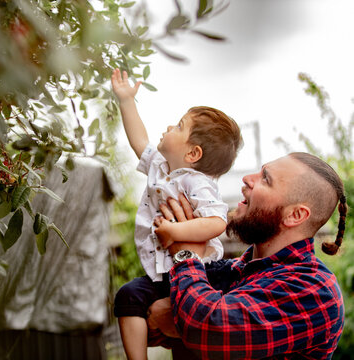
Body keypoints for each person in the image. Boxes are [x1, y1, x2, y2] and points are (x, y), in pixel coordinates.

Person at [147, 152, 347, 359]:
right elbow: (149, 319)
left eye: (265, 179)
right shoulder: (230, 270)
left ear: (295, 215)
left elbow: (208, 329)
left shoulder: (315, 290)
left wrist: (185, 254)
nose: (247, 178)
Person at [110, 68, 242, 360]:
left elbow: (216, 222)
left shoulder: (197, 183)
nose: (170, 126)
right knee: (127, 297)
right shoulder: (160, 166)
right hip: (162, 275)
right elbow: (139, 141)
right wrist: (126, 101)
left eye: (179, 126)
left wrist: (175, 233)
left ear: (193, 154)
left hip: (198, 274)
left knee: (189, 339)